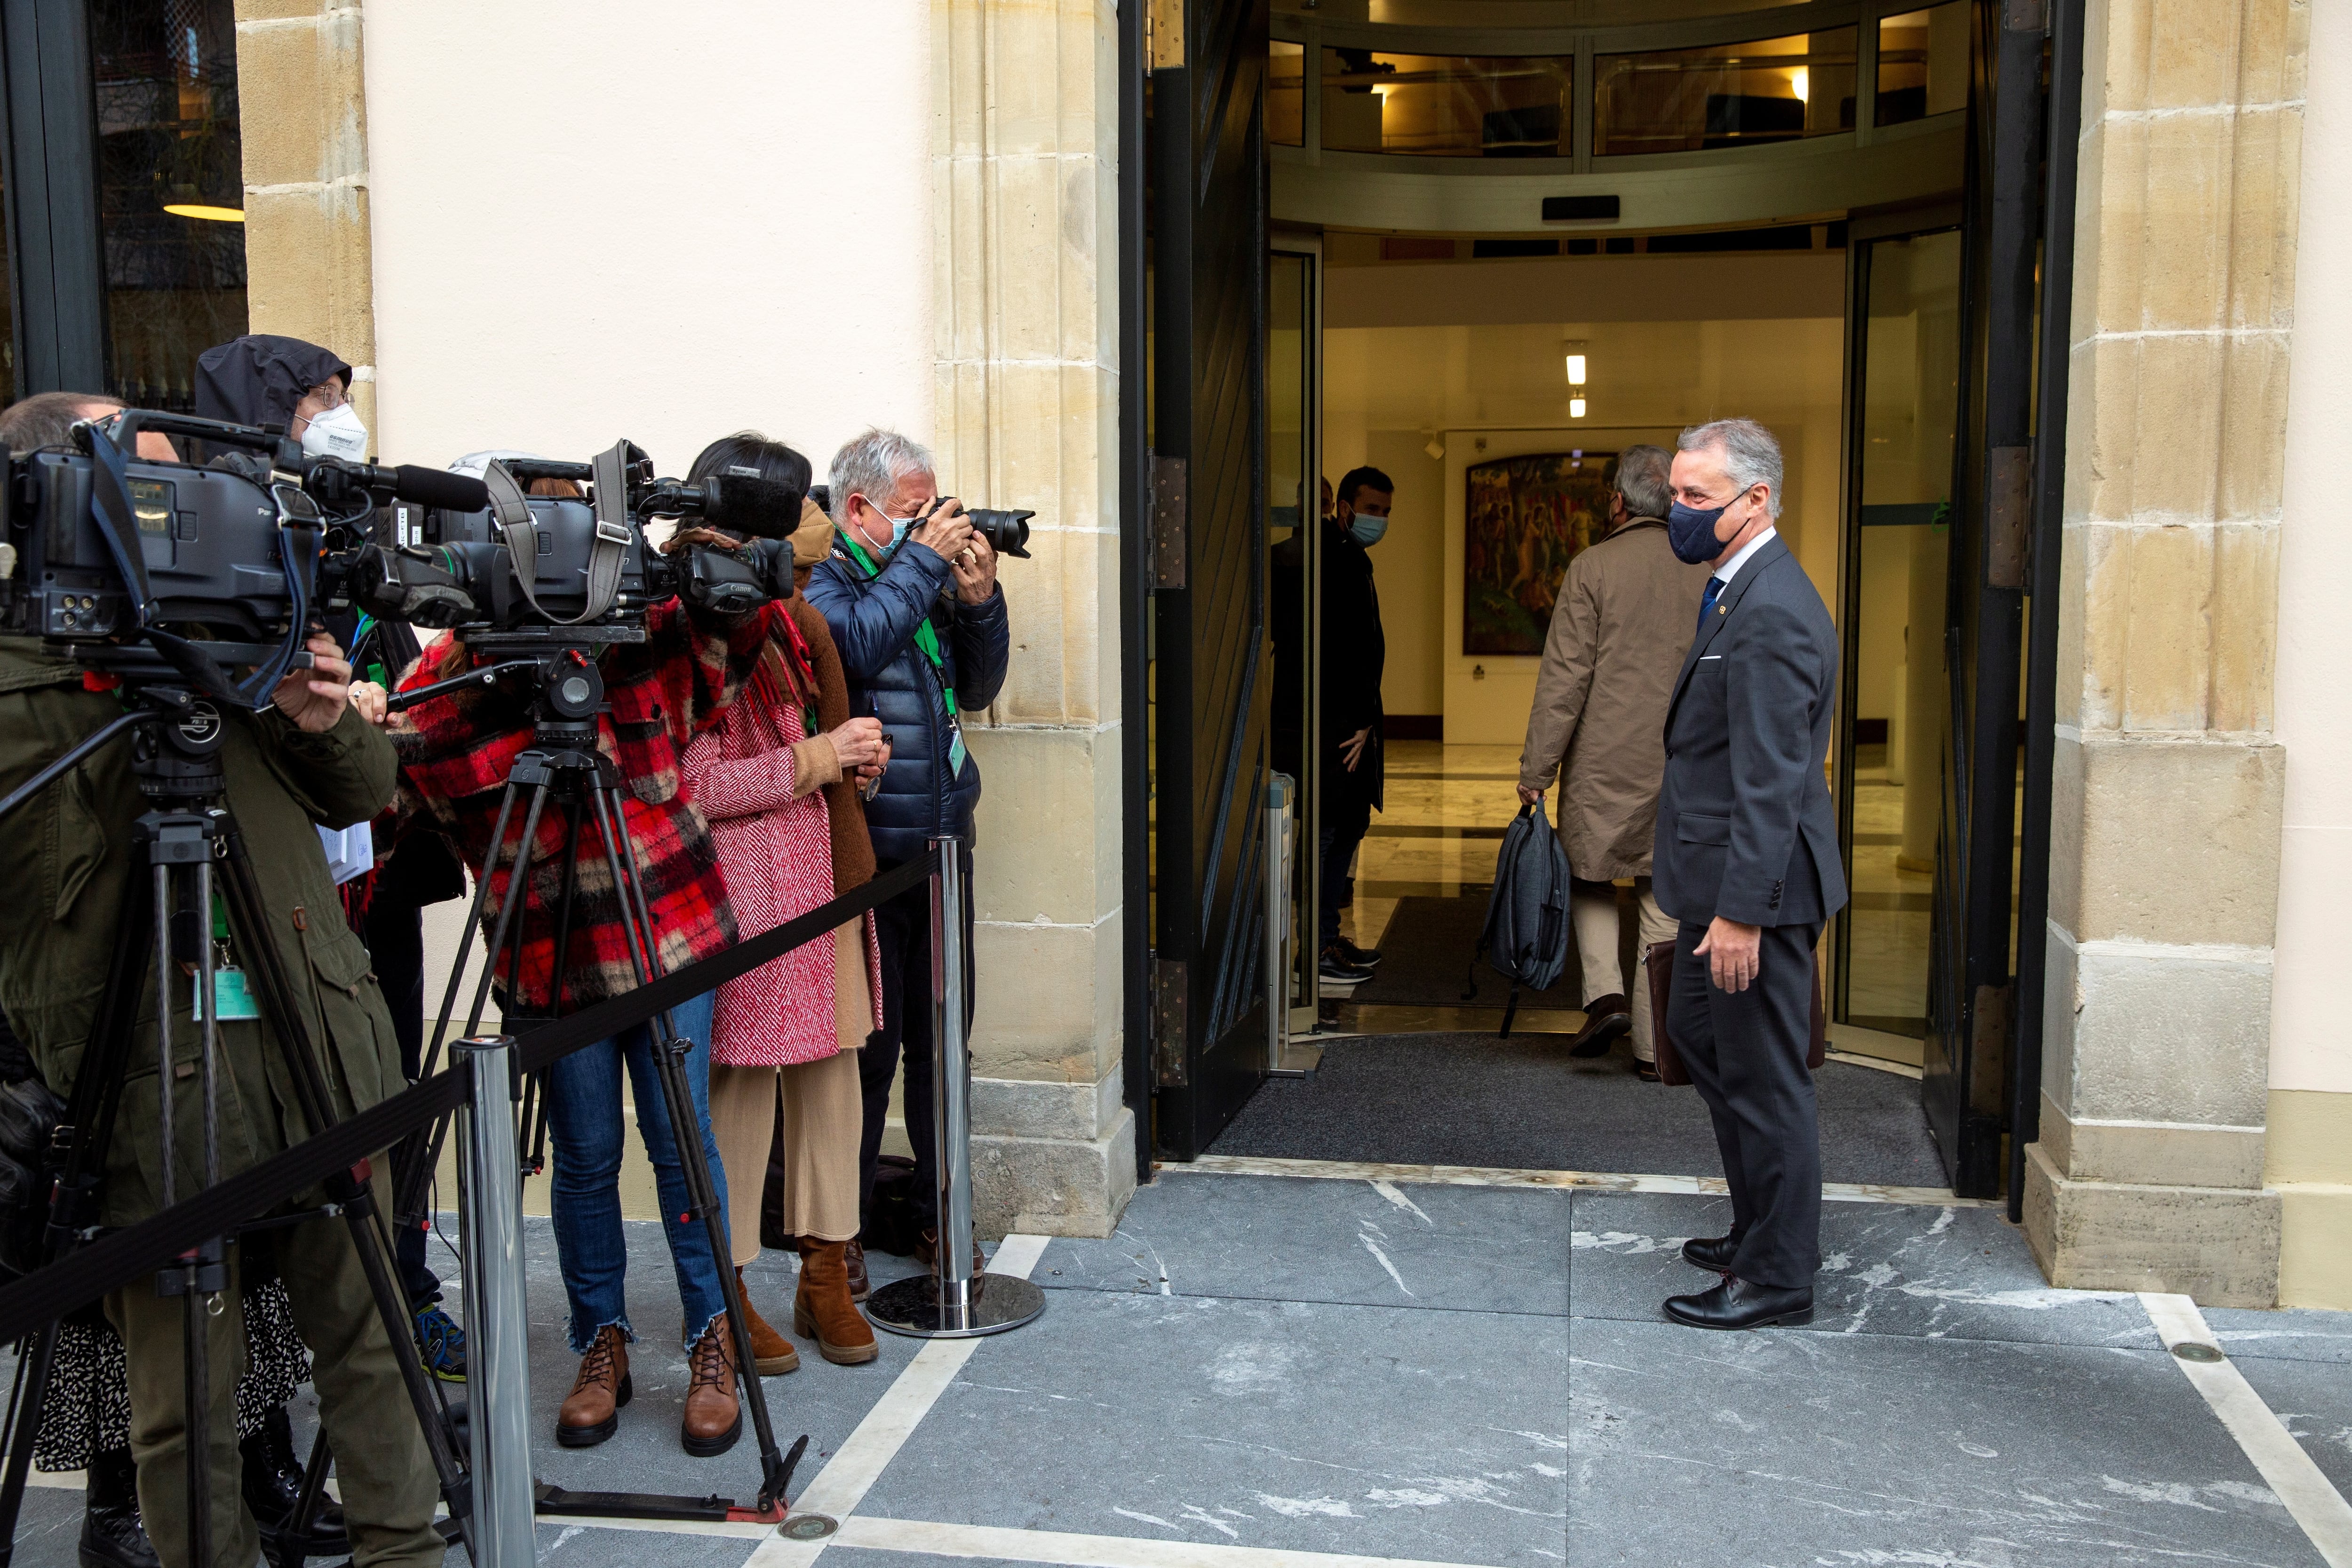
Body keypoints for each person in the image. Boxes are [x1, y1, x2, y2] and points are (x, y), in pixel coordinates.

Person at [0, 611, 444, 1568]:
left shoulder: (242, 620)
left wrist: (315, 711)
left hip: (313, 1046)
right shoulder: (24, 668)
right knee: (184, 1396)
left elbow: (364, 790)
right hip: (144, 1086)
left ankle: (403, 1550)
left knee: (368, 1344)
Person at [0, 392, 360, 1568]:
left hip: (261, 1049)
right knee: (145, 1353)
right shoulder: (28, 670)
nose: (179, 516)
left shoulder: (222, 630)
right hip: (105, 1081)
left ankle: (257, 1468)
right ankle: (123, 1514)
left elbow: (355, 788)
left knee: (259, 1315)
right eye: (150, 488)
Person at [390, 471, 770, 1454]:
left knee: (685, 1146)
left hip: (669, 932)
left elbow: (738, 637)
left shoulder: (638, 638)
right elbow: (418, 758)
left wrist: (691, 557)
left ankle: (710, 1336)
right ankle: (600, 1338)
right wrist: (514, 670)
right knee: (587, 1156)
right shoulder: (455, 671)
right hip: (551, 961)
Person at [194, 333, 471, 1379]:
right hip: (252, 898)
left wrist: (373, 706)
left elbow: (415, 678)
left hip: (374, 882)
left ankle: (403, 1293)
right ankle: (272, 1365)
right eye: (317, 398)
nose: (339, 416)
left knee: (390, 1089)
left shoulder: (351, 529)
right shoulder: (214, 547)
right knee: (265, 1133)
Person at [676, 433, 888, 1370]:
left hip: (823, 882)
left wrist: (856, 764)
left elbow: (820, 744)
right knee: (738, 1095)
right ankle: (725, 1297)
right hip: (742, 896)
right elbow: (690, 783)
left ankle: (825, 1274)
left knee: (833, 1084)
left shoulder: (799, 620)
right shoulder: (681, 615)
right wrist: (819, 758)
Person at [1653, 417, 1847, 1332]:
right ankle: (1759, 1227)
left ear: (1755, 499)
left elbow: (1770, 781)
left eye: (1697, 498)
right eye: (1674, 494)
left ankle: (1777, 1274)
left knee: (1767, 1078)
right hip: (1720, 885)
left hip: (1753, 896)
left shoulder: (1770, 610)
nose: (1678, 512)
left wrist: (1741, 916)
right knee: (1699, 1034)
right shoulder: (1739, 591)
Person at [804, 428, 1009, 1271]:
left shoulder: (916, 574)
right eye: (912, 511)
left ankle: (939, 1214)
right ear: (859, 509)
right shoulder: (826, 578)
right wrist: (923, 566)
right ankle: (840, 1233)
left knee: (940, 1040)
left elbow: (980, 686)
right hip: (872, 851)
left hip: (941, 841)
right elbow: (849, 653)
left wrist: (981, 600)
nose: (932, 525)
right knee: (869, 1051)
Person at [1516, 446, 1710, 1078]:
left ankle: (1603, 996)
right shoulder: (1706, 566)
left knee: (1591, 872)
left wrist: (1536, 771)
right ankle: (1656, 1049)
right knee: (1664, 889)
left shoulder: (1593, 567)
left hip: (1604, 759)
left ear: (1618, 502)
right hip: (1683, 759)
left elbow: (1564, 680)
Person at [1270, 465, 1392, 985]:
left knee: (1347, 826)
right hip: (1329, 723)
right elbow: (1340, 649)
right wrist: (1362, 719)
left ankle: (1325, 936)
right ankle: (1314, 950)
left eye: (1385, 512)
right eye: (1370, 509)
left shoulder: (1345, 557)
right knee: (1324, 832)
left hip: (1343, 719)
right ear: (1342, 507)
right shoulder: (1317, 559)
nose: (1377, 520)